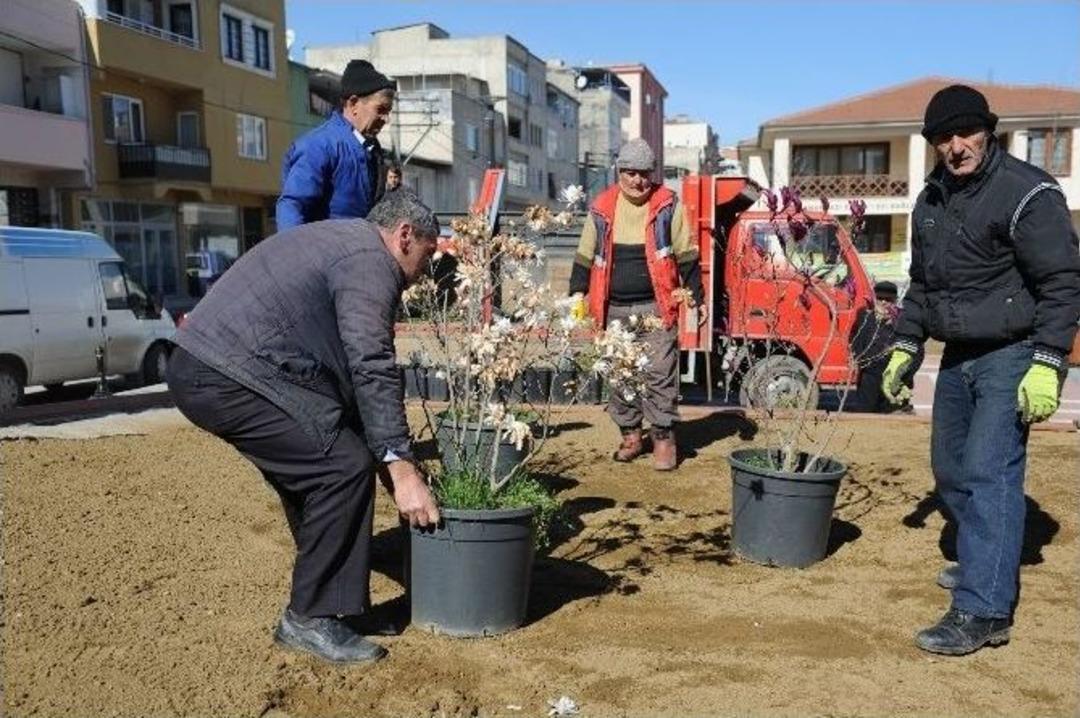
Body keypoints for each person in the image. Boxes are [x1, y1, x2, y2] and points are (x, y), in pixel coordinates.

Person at [166, 191, 442, 664]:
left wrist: (392, 456)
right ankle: (309, 617)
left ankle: (333, 609)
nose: (425, 270)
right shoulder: (371, 263)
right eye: (428, 254)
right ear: (404, 236)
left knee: (329, 462)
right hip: (226, 373)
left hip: (217, 366)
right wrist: (399, 467)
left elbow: (350, 376)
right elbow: (371, 363)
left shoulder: (344, 243)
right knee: (340, 467)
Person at [882, 84, 1080, 655]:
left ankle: (984, 609)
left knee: (991, 474)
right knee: (951, 469)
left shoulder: (1027, 192)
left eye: (965, 132)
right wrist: (906, 344)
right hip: (959, 355)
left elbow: (1064, 283)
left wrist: (1048, 361)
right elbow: (923, 285)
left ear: (986, 130)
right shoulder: (933, 199)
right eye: (943, 137)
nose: (955, 145)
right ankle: (986, 558)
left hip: (1012, 353)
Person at [568, 138, 704, 471]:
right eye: (629, 172)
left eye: (643, 173)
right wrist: (577, 292)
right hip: (611, 308)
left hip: (656, 307)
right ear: (619, 172)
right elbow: (585, 254)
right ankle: (631, 435)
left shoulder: (668, 204)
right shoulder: (601, 207)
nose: (637, 180)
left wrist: (695, 296)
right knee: (619, 376)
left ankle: (662, 438)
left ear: (652, 173)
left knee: (659, 375)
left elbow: (686, 253)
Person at [276, 60, 395, 230]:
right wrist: (297, 254)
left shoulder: (371, 150)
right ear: (353, 103)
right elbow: (292, 206)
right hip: (325, 253)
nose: (386, 119)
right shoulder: (318, 146)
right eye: (381, 109)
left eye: (388, 112)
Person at [849, 281, 922, 412]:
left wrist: (905, 376)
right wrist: (858, 360)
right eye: (880, 299)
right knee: (864, 415)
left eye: (888, 299)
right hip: (869, 379)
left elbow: (917, 351)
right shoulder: (864, 317)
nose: (884, 302)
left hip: (895, 381)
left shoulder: (905, 322)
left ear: (895, 301)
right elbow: (854, 339)